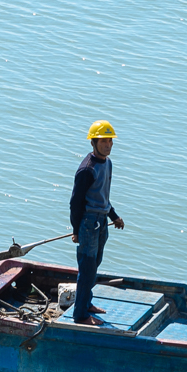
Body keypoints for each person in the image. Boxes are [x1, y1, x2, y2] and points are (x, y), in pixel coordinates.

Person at [68, 120, 125, 327]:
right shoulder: (87, 170)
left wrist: (114, 217)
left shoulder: (107, 163)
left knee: (95, 264)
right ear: (93, 142)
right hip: (88, 223)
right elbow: (75, 203)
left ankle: (87, 303)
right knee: (87, 268)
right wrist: (76, 230)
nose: (108, 145)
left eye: (110, 141)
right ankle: (80, 314)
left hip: (101, 220)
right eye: (103, 141)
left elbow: (103, 197)